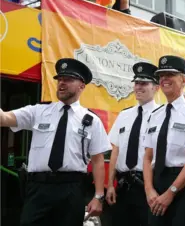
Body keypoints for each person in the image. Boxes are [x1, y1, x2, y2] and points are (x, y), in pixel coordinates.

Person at [0, 58, 111, 225]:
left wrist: (98, 197)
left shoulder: (91, 120)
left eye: (68, 80)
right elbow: (4, 118)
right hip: (38, 188)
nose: (62, 83)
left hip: (71, 189)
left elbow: (98, 161)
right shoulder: (38, 111)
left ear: (82, 86)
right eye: (60, 79)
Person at [143, 55, 185, 226]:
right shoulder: (155, 115)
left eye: (170, 74)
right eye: (161, 75)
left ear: (184, 80)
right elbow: (148, 157)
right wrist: (149, 190)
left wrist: (171, 192)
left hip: (184, 186)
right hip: (157, 186)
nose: (164, 79)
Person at [106, 62, 160, 226]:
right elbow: (116, 150)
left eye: (144, 83)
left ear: (156, 87)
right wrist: (110, 185)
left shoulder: (162, 115)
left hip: (148, 186)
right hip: (123, 186)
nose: (139, 87)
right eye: (137, 83)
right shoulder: (124, 115)